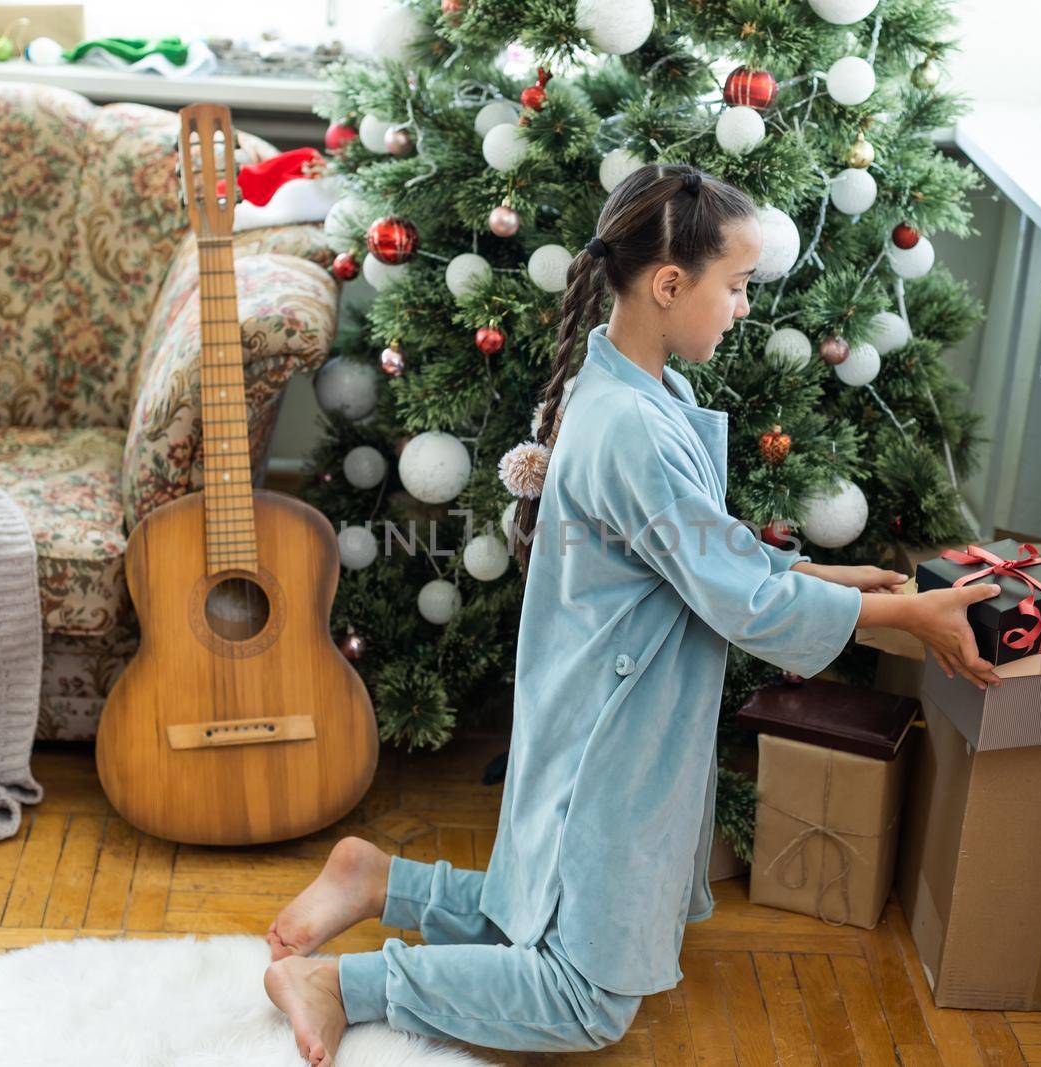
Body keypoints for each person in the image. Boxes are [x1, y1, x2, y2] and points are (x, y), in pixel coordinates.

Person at [260, 163, 1003, 1065]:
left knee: (552, 908)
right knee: (586, 999)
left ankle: (381, 877)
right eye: (733, 287)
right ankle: (343, 982)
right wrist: (912, 618)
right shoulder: (632, 427)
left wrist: (829, 574)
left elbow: (699, 550)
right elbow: (738, 597)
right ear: (667, 284)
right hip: (611, 721)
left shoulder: (638, 392)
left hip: (607, 692)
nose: (740, 309)